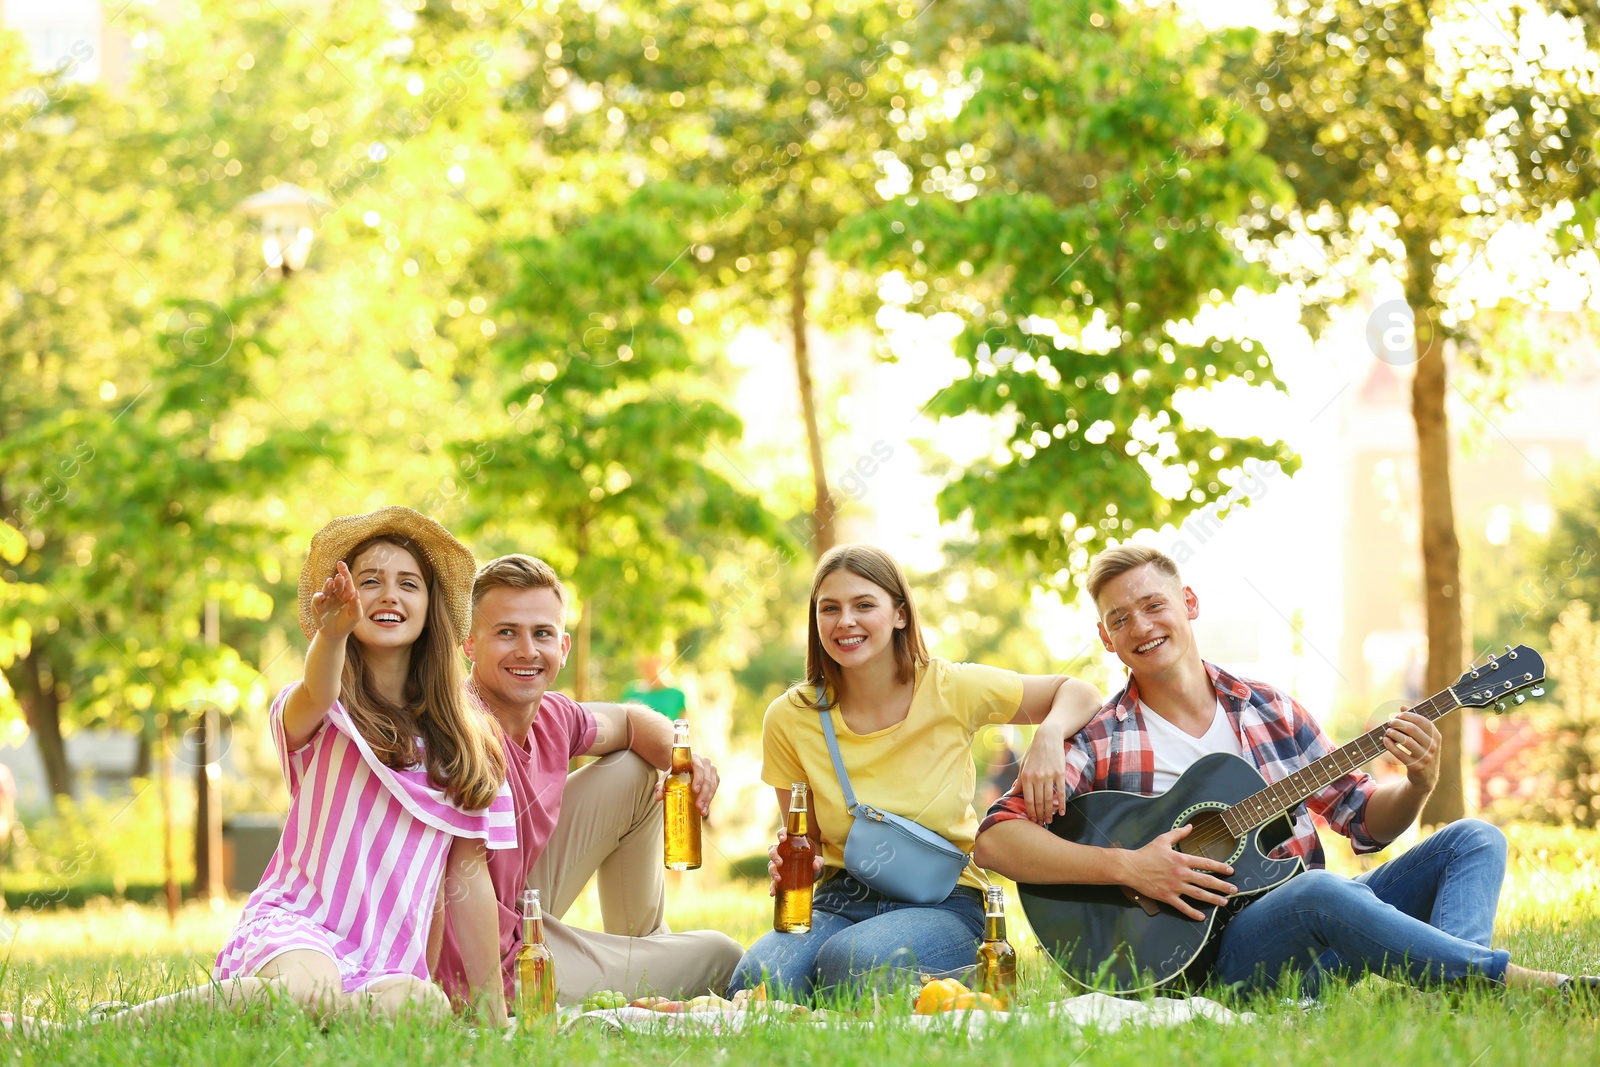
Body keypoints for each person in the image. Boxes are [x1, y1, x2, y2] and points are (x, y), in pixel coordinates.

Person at [975, 543, 1599, 999]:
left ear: (1188, 604)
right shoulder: (1102, 736)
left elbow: (1364, 824)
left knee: (1474, 838)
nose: (1140, 626)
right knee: (1320, 889)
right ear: (1107, 639)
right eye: (1119, 619)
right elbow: (996, 837)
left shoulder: (1268, 707)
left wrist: (1417, 783)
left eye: (1152, 605)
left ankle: (1455, 986)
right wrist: (1126, 866)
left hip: (1322, 938)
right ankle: (1507, 981)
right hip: (1215, 962)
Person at [2, 507, 515, 1037]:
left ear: (431, 608)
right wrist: (332, 634)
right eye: (370, 582)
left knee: (422, 1007)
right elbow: (320, 690)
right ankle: (79, 1033)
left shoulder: (466, 744)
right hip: (299, 929)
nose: (390, 595)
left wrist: (496, 1019)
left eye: (409, 584)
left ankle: (272, 1019)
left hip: (385, 966)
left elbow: (468, 881)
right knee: (307, 990)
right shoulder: (326, 713)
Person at [725, 544, 1103, 1001]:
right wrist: (793, 860)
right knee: (760, 980)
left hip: (944, 900)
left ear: (900, 614)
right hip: (839, 899)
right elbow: (813, 840)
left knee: (853, 966)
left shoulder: (949, 687)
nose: (846, 621)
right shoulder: (790, 717)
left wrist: (1048, 736)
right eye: (830, 608)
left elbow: (1079, 692)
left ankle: (966, 972)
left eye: (864, 605)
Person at [431, 554, 742, 1009]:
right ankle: (648, 970)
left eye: (541, 633)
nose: (527, 650)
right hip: (491, 962)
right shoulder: (455, 725)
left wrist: (687, 761)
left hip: (520, 905)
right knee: (723, 957)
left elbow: (633, 722)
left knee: (634, 768)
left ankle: (646, 943)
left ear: (564, 646)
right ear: (469, 644)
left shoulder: (552, 715)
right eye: (506, 632)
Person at [620, 653, 688, 721]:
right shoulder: (631, 692)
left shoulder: (677, 695)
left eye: (651, 663)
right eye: (643, 664)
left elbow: (683, 728)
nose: (647, 668)